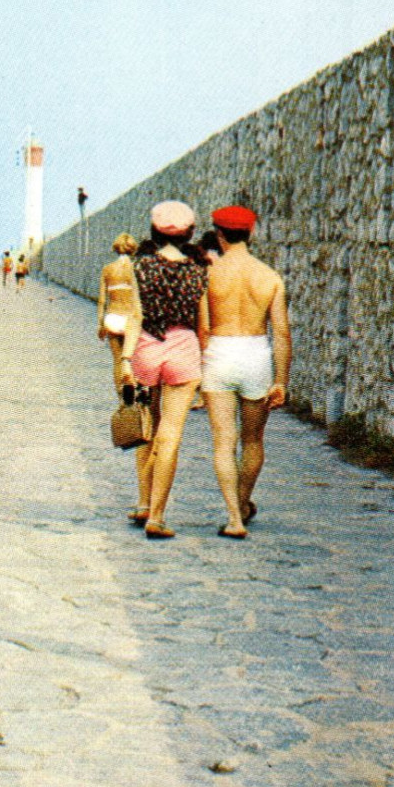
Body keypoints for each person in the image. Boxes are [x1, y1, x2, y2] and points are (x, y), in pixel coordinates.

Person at [122, 200, 211, 539]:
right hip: (183, 350)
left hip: (146, 349)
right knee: (170, 435)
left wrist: (125, 359)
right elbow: (203, 324)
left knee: (146, 427)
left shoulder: (140, 265)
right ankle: (157, 516)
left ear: (154, 232)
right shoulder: (200, 267)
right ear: (190, 232)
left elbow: (136, 316)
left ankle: (143, 501)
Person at [201, 205, 292, 539]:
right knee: (253, 439)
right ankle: (242, 503)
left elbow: (204, 329)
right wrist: (281, 379)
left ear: (219, 234)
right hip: (256, 354)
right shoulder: (269, 277)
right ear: (252, 233)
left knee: (223, 443)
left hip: (219, 353)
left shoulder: (209, 274)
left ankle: (233, 518)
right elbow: (281, 333)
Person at [96, 233, 139, 394]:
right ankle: (133, 391)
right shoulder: (135, 268)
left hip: (113, 317)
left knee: (117, 360)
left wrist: (100, 324)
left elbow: (102, 300)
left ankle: (122, 400)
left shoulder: (108, 269)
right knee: (130, 359)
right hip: (130, 318)